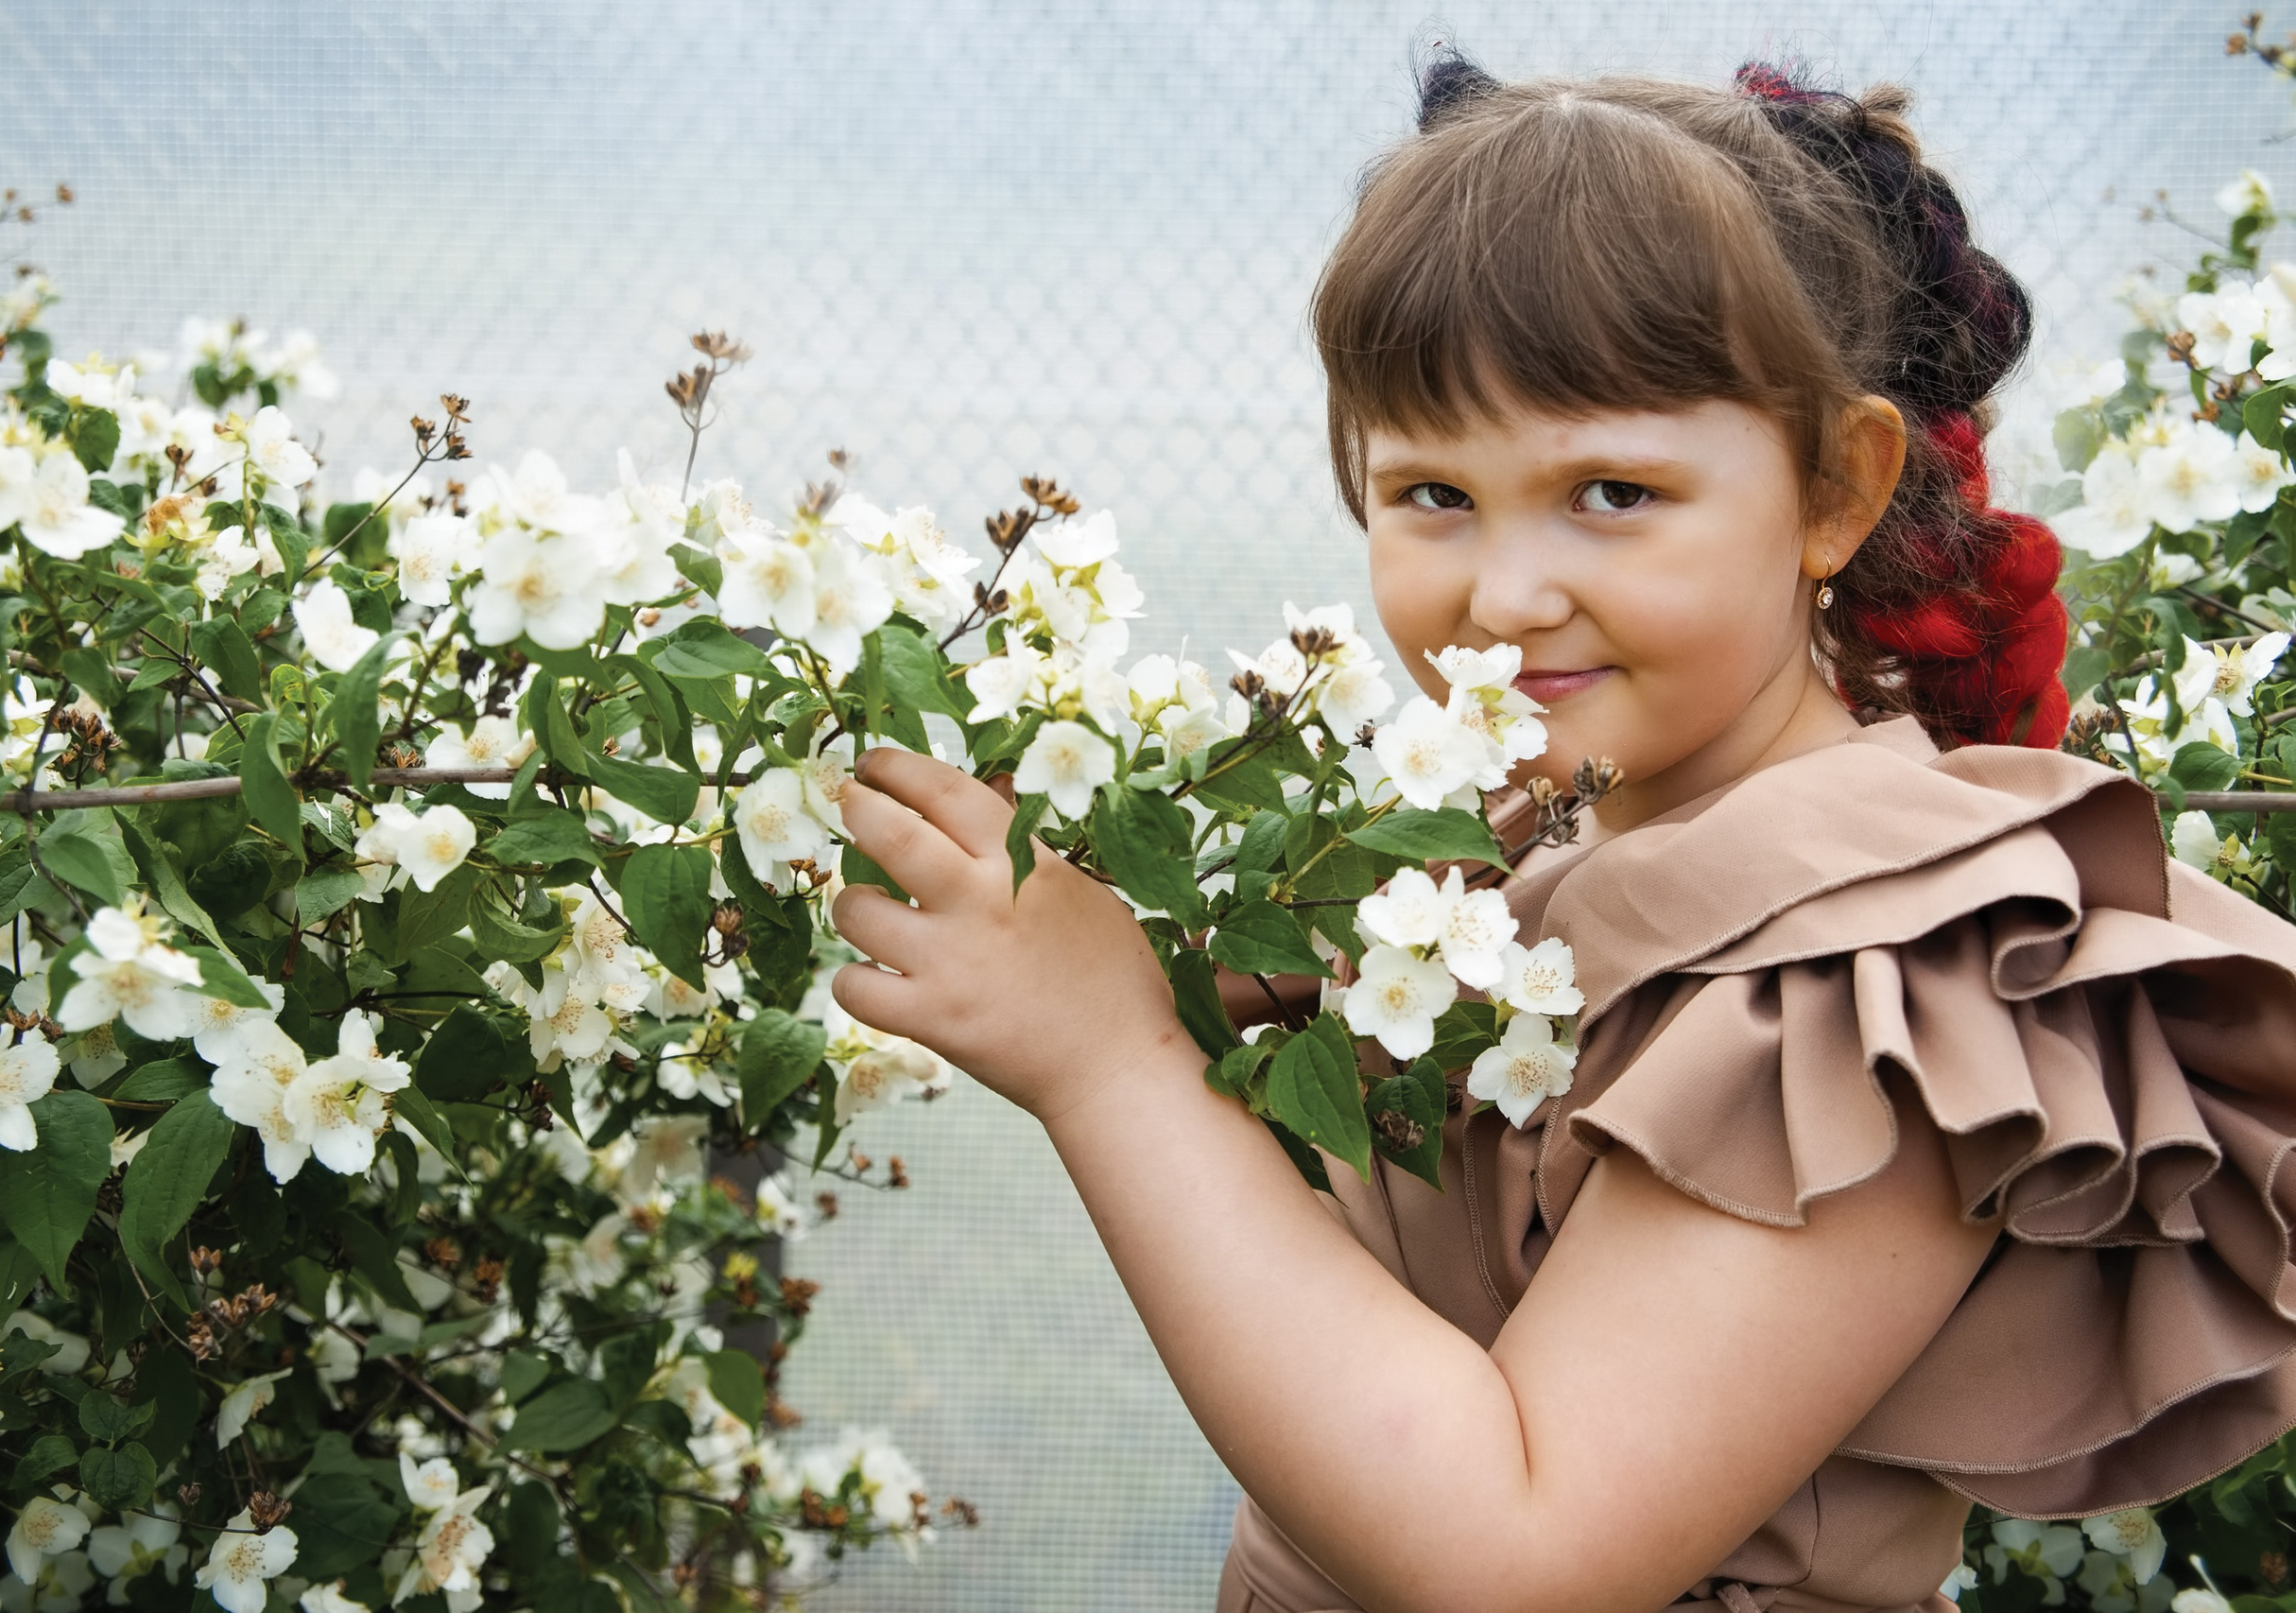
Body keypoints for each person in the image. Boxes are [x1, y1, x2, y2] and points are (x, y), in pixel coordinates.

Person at [825, 57, 2296, 1613]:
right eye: (1433, 492)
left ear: (1835, 488)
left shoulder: (1875, 988)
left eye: (1610, 489)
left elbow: (1524, 1550)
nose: (1505, 593)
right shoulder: (1535, 822)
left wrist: (1112, 1064)